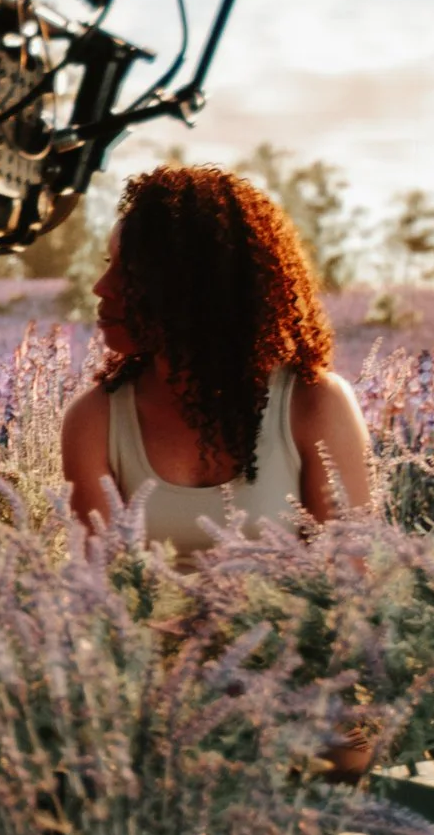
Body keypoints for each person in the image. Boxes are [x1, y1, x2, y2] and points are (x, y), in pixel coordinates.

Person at [59, 165, 371, 557]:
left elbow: (349, 585)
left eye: (130, 273)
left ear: (194, 288)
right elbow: (96, 592)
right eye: (109, 265)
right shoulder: (95, 420)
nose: (101, 287)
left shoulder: (314, 405)